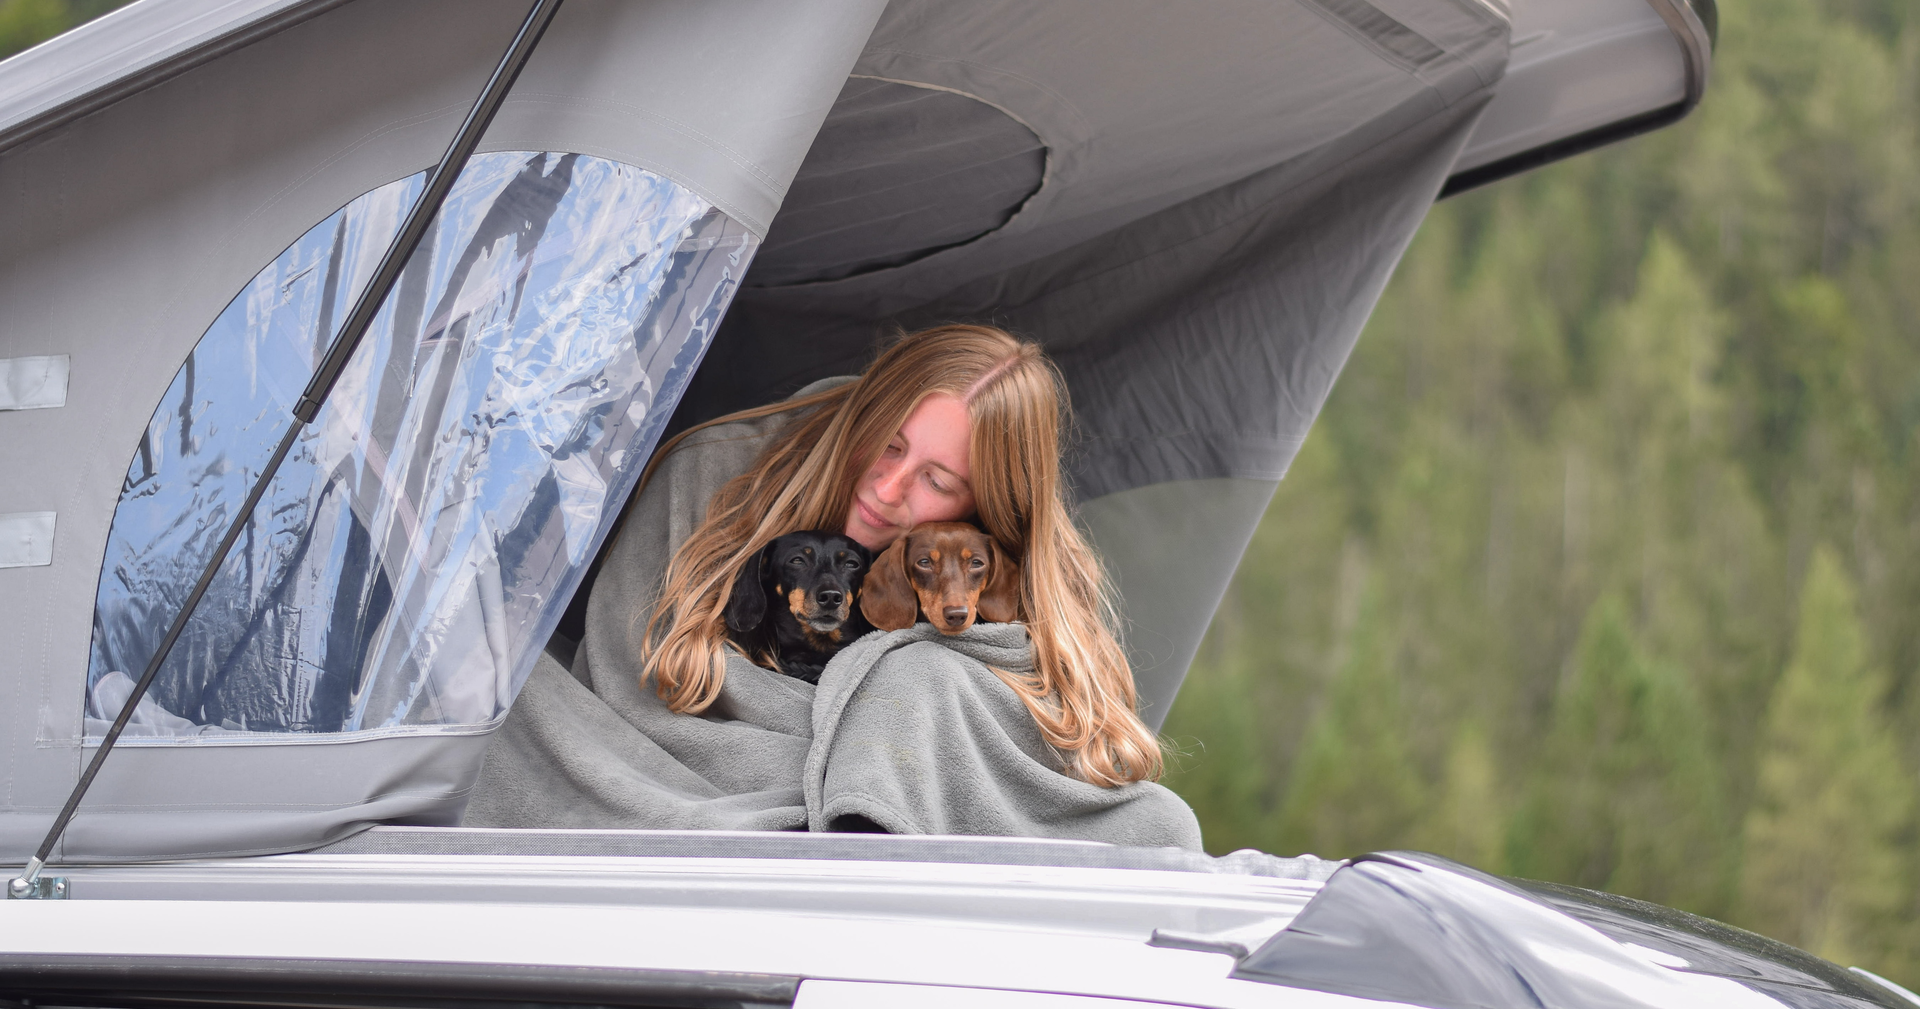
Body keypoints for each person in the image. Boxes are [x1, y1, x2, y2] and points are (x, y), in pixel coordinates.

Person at [466, 325, 1200, 846]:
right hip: (668, 783)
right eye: (888, 443)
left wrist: (901, 703)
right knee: (481, 677)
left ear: (980, 509)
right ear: (867, 410)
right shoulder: (710, 474)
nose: (887, 487)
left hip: (879, 819)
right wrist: (824, 779)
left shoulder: (1019, 566)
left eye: (936, 481)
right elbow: (624, 684)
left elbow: (1041, 745)